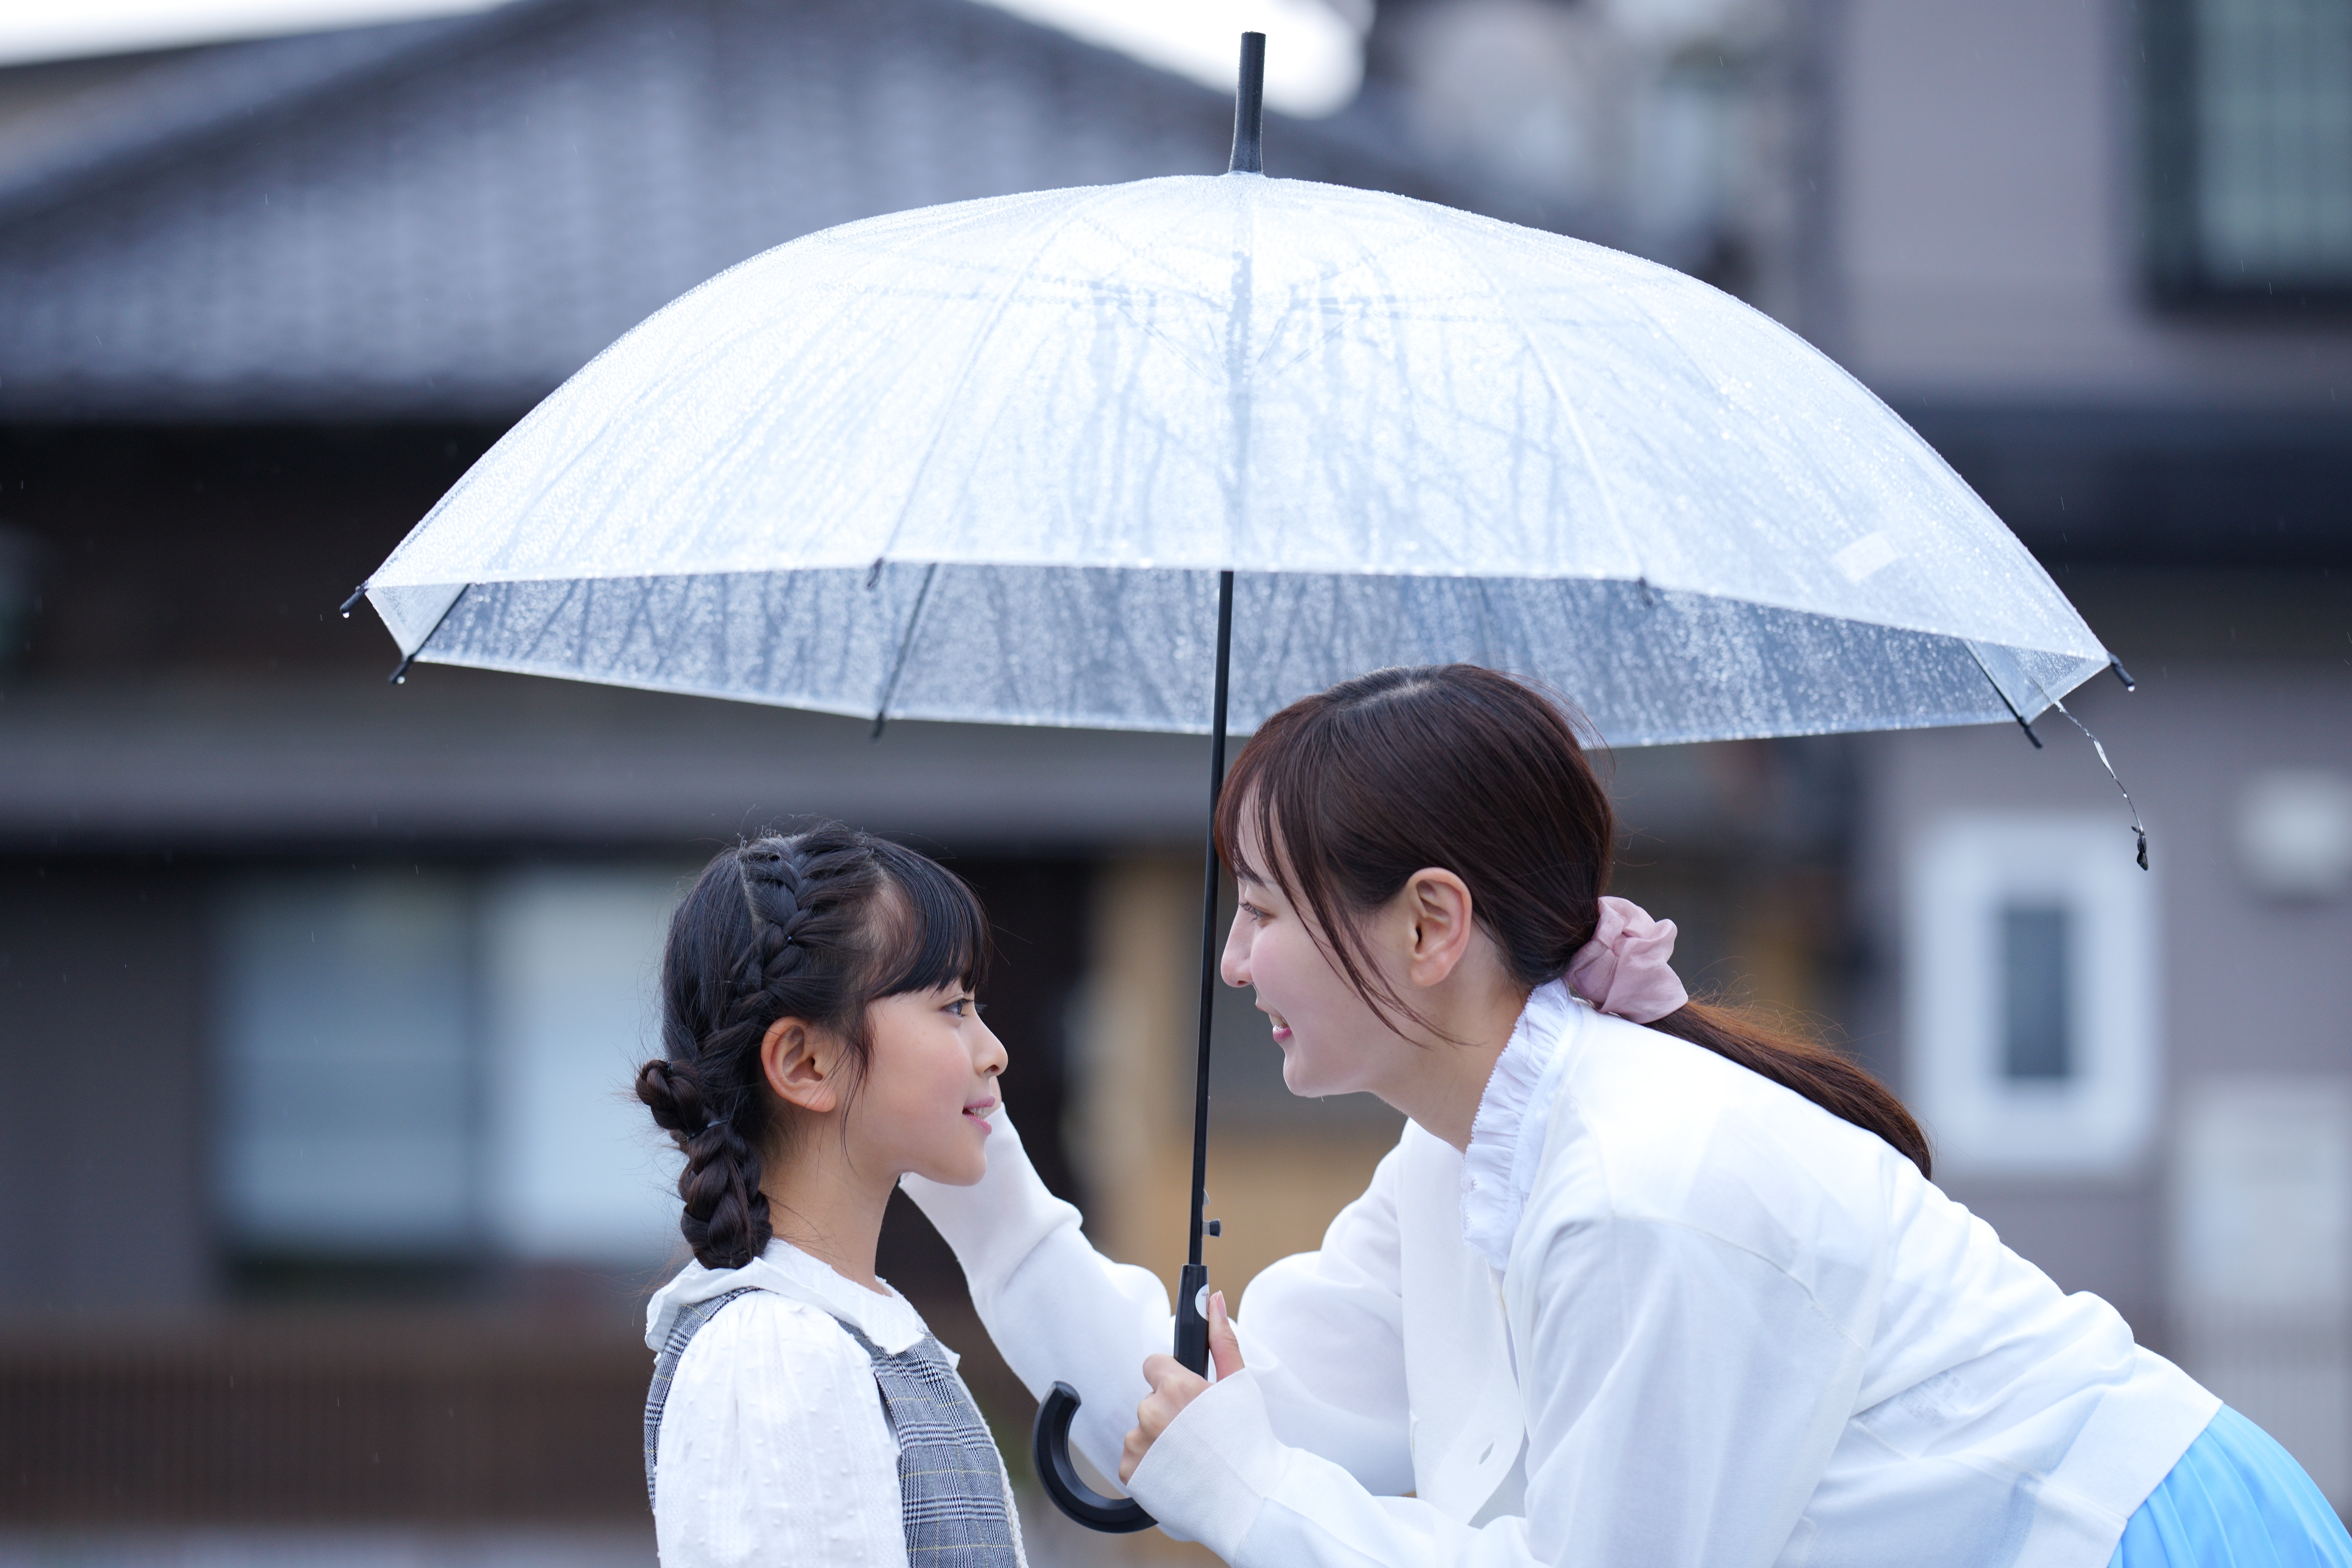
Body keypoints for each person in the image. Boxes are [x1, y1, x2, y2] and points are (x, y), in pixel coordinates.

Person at [906, 665, 2352, 1568]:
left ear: (1429, 926)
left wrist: (1259, 1497)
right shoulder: (1464, 1158)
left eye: (1268, 909)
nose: (1233, 961)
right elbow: (1227, 1417)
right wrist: (962, 1164)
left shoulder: (1636, 1185)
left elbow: (1266, 1477)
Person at [638, 826, 1026, 1568]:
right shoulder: (775, 1355)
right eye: (953, 1006)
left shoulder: (828, 1331)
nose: (994, 1050)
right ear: (807, 1061)